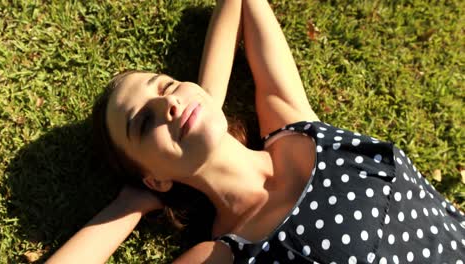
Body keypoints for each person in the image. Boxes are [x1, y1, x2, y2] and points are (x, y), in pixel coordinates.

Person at [47, 0, 464, 263]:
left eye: (167, 85)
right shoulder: (223, 254)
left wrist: (207, 100)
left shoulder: (295, 122)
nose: (168, 103)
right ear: (155, 176)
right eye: (145, 122)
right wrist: (131, 205)